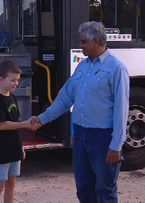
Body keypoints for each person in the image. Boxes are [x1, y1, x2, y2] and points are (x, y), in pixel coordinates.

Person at [33, 21, 130, 203]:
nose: (80, 45)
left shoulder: (117, 68)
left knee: (105, 191)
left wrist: (116, 145)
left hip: (103, 138)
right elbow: (65, 98)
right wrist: (41, 119)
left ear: (96, 41)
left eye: (83, 42)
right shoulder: (83, 66)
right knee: (84, 188)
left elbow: (122, 109)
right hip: (80, 135)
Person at [0, 60, 40, 203]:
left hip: (14, 149)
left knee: (11, 185)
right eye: (13, 80)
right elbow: (2, 125)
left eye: (17, 80)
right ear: (1, 79)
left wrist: (20, 146)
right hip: (1, 150)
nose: (16, 83)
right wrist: (25, 124)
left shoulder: (11, 97)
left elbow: (14, 123)